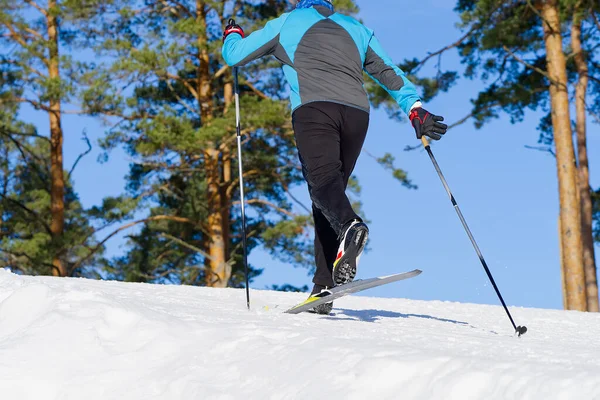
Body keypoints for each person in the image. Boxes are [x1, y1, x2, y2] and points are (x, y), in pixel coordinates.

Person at [222, 0, 448, 314]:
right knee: (329, 195)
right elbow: (389, 72)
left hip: (315, 109)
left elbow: (234, 55)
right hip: (357, 116)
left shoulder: (288, 22)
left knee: (323, 187)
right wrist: (414, 109)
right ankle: (323, 285)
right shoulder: (357, 28)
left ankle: (351, 225)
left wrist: (232, 34)